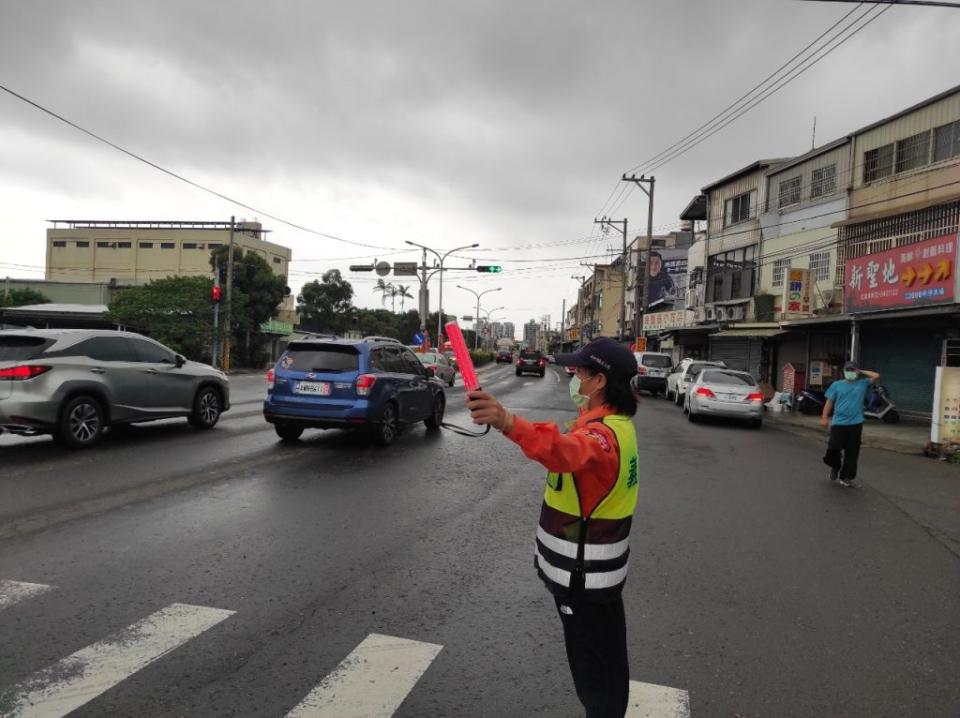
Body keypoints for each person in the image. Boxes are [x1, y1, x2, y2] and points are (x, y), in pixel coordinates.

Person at [466, 337, 639, 718]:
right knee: (605, 664)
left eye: (580, 371)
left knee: (596, 675)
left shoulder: (602, 436)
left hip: (584, 581)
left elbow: (564, 451)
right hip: (595, 580)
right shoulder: (615, 425)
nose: (572, 375)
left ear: (599, 382)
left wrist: (507, 420)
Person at [820, 361, 880, 487]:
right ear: (844, 371)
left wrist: (861, 371)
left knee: (852, 452)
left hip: (856, 424)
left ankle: (846, 477)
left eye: (852, 370)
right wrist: (824, 418)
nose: (850, 372)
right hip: (838, 423)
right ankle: (835, 467)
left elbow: (876, 376)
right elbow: (829, 403)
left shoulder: (862, 383)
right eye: (848, 370)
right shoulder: (836, 385)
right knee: (834, 448)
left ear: (857, 372)